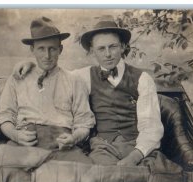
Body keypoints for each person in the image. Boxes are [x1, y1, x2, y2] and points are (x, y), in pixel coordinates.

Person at [13, 15, 166, 167]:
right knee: (99, 179)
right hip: (104, 148)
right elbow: (54, 73)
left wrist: (134, 157)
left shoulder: (143, 79)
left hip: (137, 147)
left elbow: (151, 128)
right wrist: (31, 65)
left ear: (123, 46)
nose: (107, 54)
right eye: (101, 49)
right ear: (92, 51)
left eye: (112, 46)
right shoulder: (83, 76)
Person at [0, 16, 95, 164]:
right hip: (25, 142)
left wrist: (73, 138)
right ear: (32, 50)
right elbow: (3, 116)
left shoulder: (75, 81)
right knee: (10, 171)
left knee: (83, 173)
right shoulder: (18, 78)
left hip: (62, 144)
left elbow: (84, 124)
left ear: (60, 49)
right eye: (41, 49)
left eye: (52, 49)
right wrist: (15, 135)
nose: (47, 56)